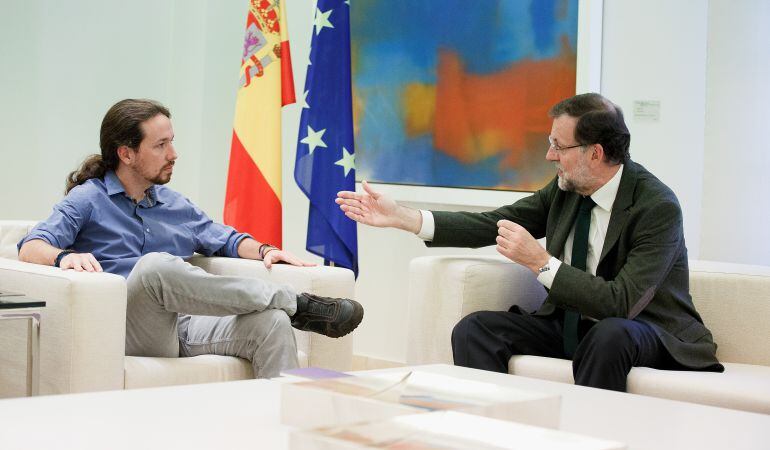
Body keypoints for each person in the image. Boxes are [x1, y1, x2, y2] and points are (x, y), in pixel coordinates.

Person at [336, 93, 723, 392]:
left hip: (644, 330)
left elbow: (621, 303)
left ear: (595, 153)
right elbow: (494, 222)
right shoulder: (566, 189)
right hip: (572, 325)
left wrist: (542, 263)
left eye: (559, 145)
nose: (549, 154)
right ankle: (494, 434)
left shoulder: (656, 206)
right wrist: (405, 217)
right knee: (476, 330)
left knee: (611, 333)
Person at [18, 98, 363, 379]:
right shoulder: (88, 199)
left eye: (172, 142)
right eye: (161, 145)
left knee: (271, 323)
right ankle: (295, 303)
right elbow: (30, 247)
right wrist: (64, 257)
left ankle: (283, 430)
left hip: (182, 325)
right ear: (126, 153)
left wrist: (265, 250)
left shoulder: (174, 204)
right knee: (154, 267)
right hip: (126, 326)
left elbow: (225, 239)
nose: (173, 154)